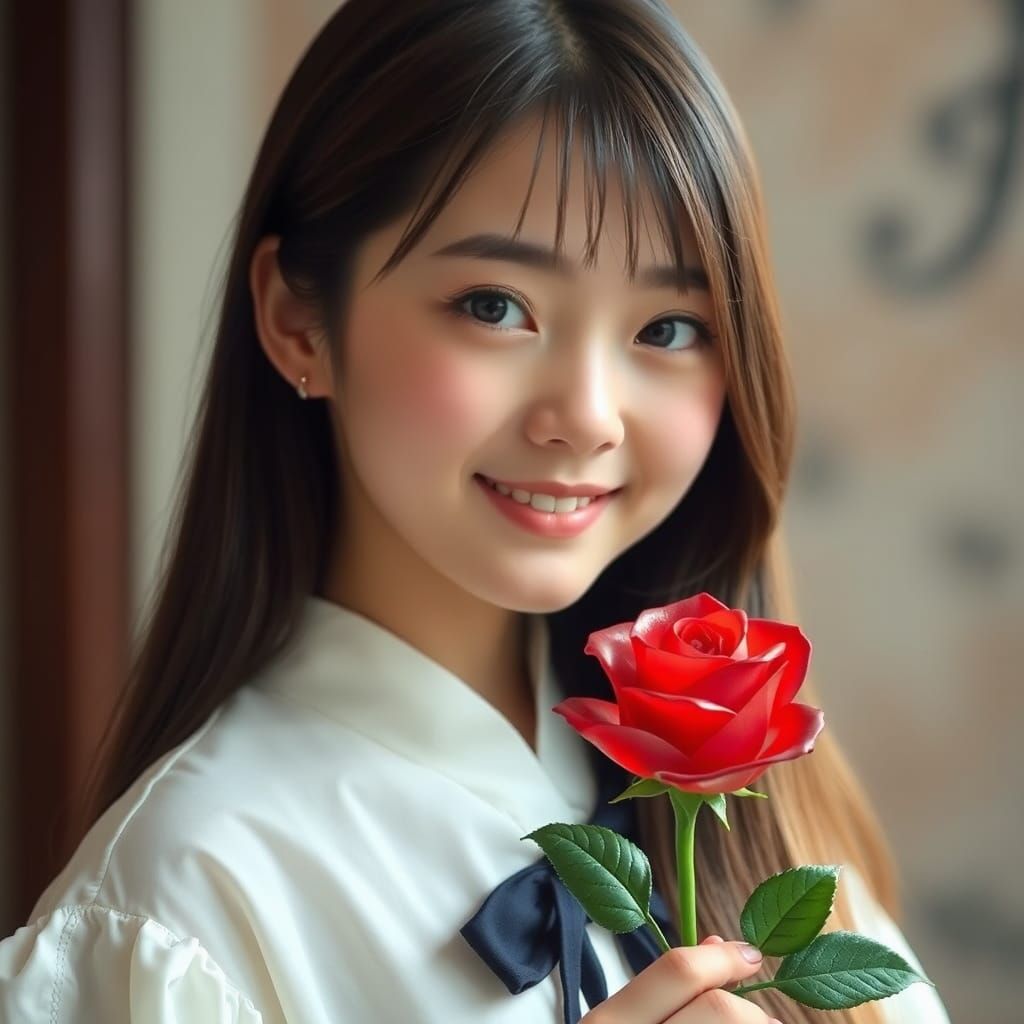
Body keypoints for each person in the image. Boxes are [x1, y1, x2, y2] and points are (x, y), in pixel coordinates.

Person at [0, 1, 952, 1022]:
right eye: (496, 306)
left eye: (668, 326)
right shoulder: (183, 904)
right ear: (297, 319)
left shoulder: (765, 832)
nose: (586, 417)